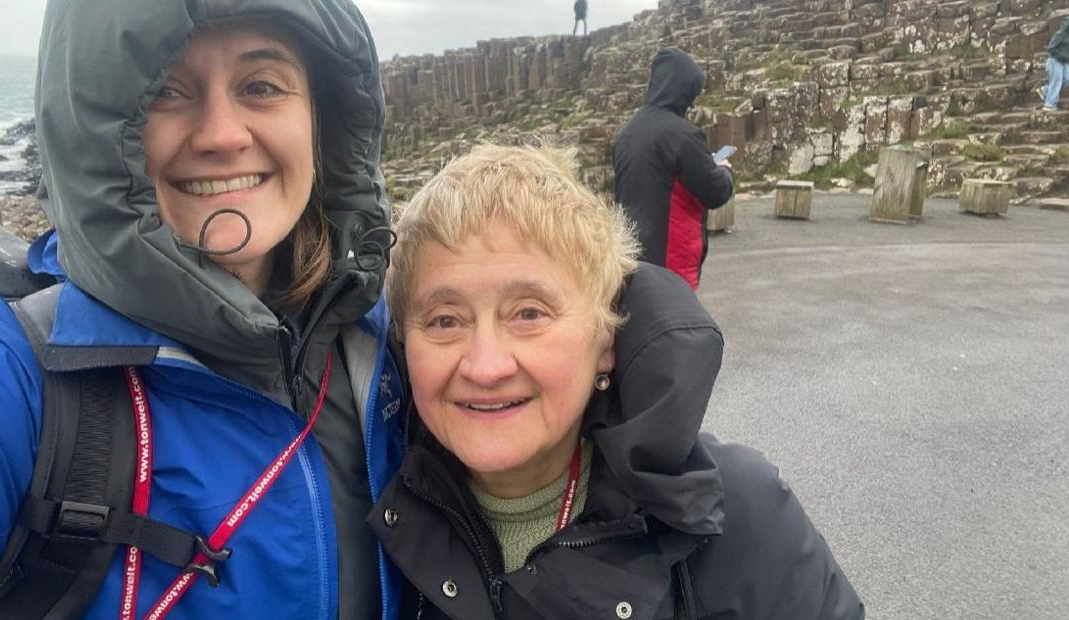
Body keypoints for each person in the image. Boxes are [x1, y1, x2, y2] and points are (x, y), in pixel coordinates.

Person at [0, 1, 404, 618]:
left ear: (321, 119)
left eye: (261, 86)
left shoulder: (395, 352)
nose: (223, 135)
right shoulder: (5, 376)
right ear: (90, 131)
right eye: (166, 91)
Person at [369, 144, 864, 619]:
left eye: (528, 313)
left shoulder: (737, 517)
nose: (485, 365)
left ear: (606, 340)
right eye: (445, 321)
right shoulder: (362, 519)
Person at [613, 48, 734, 290]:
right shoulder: (683, 135)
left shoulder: (627, 132)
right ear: (684, 89)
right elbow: (714, 191)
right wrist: (724, 169)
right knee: (673, 322)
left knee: (640, 317)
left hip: (629, 253)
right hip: (670, 259)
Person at [1040, 16, 1069, 111]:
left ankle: (1045, 90)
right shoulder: (1060, 34)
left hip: (1064, 62)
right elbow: (1050, 48)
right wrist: (1063, 56)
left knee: (1067, 80)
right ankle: (1049, 105)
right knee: (1056, 81)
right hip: (1055, 60)